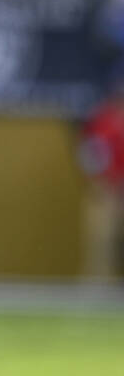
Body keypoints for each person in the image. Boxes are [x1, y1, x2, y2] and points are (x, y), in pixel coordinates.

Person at [80, 79, 124, 278]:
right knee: (102, 230)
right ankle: (99, 282)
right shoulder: (103, 121)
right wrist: (103, 184)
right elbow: (92, 157)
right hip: (109, 190)